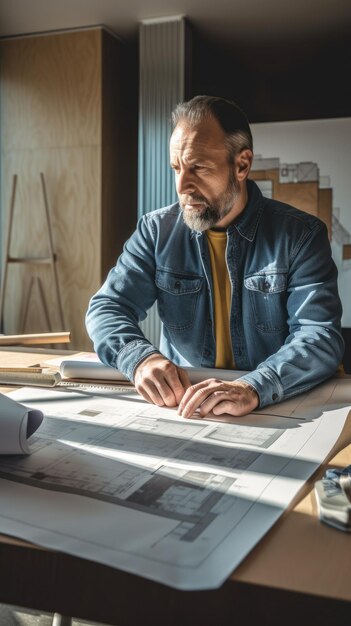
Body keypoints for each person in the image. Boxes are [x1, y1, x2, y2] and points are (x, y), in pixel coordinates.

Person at [86, 95, 344, 419]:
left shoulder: (301, 236)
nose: (182, 185)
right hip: (185, 410)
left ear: (242, 165)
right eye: (176, 168)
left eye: (198, 168)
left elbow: (319, 335)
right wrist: (140, 359)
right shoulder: (156, 232)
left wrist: (255, 387)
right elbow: (107, 307)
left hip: (273, 406)